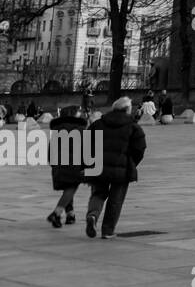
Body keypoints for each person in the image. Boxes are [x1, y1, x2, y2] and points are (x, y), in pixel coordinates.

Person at [84, 96, 147, 239]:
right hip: (122, 168)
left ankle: (93, 215)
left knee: (98, 194)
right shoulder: (133, 127)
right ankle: (107, 230)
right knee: (116, 199)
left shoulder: (98, 124)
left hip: (98, 165)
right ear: (127, 109)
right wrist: (131, 162)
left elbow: (86, 145)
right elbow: (140, 148)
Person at [47, 106, 87, 228]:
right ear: (73, 115)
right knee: (71, 187)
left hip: (58, 163)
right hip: (74, 164)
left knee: (68, 187)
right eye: (78, 112)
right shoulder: (80, 129)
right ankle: (56, 213)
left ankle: (70, 214)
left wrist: (53, 163)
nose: (80, 113)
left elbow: (51, 150)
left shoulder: (56, 129)